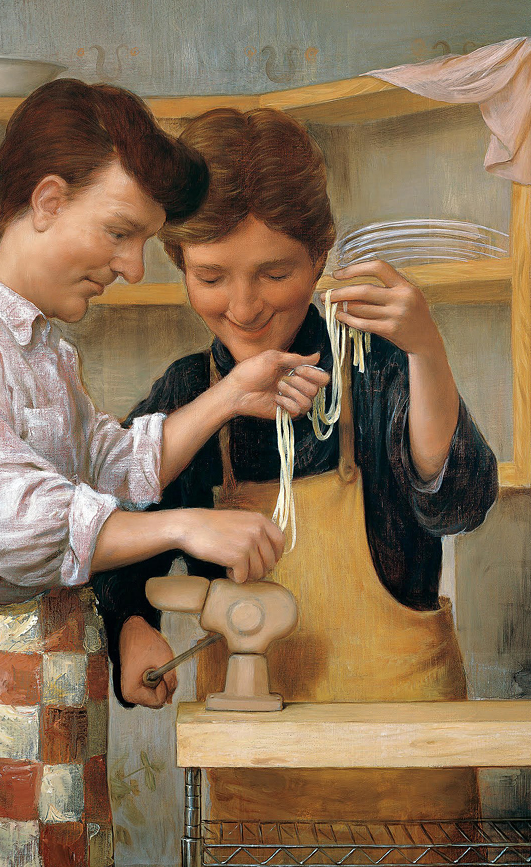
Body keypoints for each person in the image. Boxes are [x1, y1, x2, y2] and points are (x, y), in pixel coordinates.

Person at [0, 80, 329, 867]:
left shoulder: (45, 350)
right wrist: (186, 522)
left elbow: (118, 465)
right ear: (46, 200)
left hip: (50, 675)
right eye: (122, 233)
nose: (134, 267)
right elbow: (14, 524)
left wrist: (226, 395)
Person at [92, 106, 498, 821]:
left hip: (407, 766)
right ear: (179, 263)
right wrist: (128, 624)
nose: (244, 306)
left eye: (273, 272)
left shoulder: (375, 364)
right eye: (212, 276)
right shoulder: (187, 394)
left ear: (320, 255)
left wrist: (428, 351)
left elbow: (458, 504)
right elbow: (111, 528)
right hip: (258, 777)